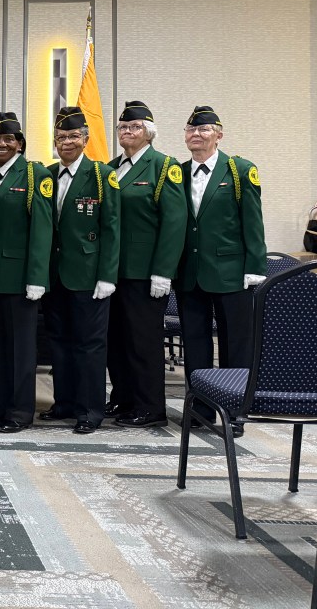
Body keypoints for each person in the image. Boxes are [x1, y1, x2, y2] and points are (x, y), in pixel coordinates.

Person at [176, 105, 266, 435]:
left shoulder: (240, 170)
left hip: (231, 272)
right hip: (190, 272)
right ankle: (199, 409)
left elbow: (252, 222)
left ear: (219, 135)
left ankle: (234, 411)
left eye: (203, 130)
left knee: (235, 344)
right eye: (190, 130)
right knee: (194, 342)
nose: (196, 135)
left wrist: (255, 266)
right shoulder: (179, 172)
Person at [106, 101, 187, 428]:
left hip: (145, 273)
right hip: (113, 271)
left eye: (135, 127)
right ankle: (123, 398)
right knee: (116, 340)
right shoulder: (112, 167)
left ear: (149, 133)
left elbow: (174, 223)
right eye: (123, 127)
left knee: (143, 342)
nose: (127, 131)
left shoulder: (164, 167)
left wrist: (163, 272)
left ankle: (151, 407)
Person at [41, 106, 120, 435]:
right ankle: (64, 402)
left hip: (89, 275)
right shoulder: (47, 174)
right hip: (55, 273)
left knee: (89, 344)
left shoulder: (101, 175)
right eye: (61, 137)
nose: (67, 142)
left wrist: (107, 276)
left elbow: (112, 228)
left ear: (86, 139)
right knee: (59, 341)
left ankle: (90, 409)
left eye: (74, 136)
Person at [0, 111, 53, 434]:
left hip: (20, 278)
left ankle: (20, 411)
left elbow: (43, 230)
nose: (1, 144)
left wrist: (37, 277)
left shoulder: (34, 175)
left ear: (20, 144)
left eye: (8, 138)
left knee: (21, 349)